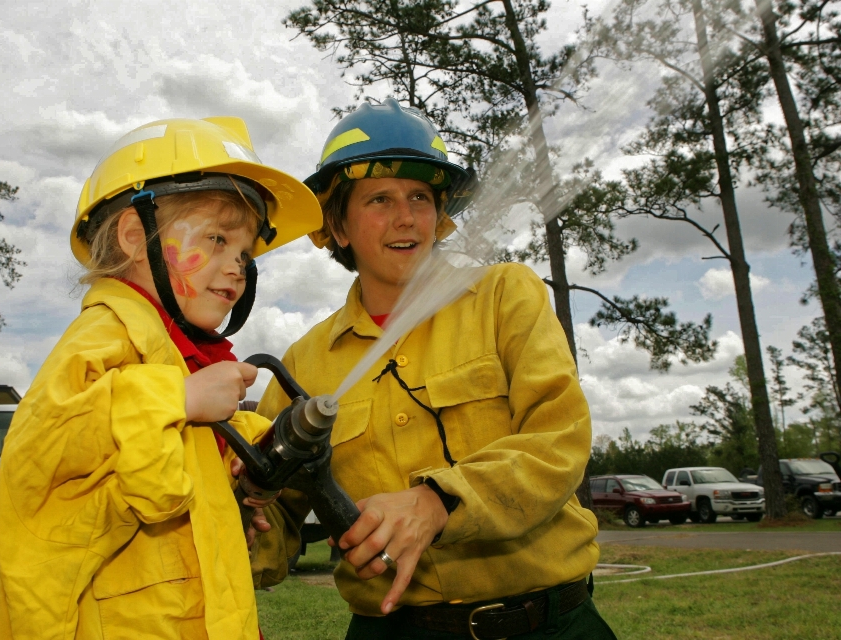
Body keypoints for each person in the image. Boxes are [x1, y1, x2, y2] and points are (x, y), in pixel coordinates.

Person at [253, 98, 617, 639]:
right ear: (339, 226)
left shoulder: (504, 296)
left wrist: (438, 501)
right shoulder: (302, 364)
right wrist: (241, 524)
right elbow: (275, 516)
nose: (406, 218)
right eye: (380, 199)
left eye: (420, 198)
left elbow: (558, 439)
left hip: (546, 624)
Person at [0, 118, 322, 640]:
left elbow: (151, 466)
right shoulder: (103, 336)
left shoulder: (177, 354)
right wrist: (180, 397)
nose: (237, 266)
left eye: (244, 252)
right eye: (216, 239)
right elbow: (44, 454)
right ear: (132, 235)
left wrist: (236, 466)